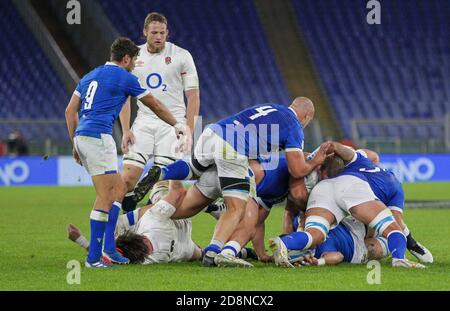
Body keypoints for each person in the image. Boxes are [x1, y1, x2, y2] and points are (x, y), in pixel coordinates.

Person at [133, 97, 329, 266]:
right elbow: (297, 169)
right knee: (238, 209)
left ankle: (162, 172)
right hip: (234, 149)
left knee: (191, 179)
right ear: (307, 117)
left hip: (213, 132)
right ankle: (214, 251)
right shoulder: (294, 126)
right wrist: (316, 160)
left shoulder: (274, 107)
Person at [65, 37, 189, 268]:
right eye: (133, 60)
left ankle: (110, 250)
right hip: (99, 138)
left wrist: (75, 142)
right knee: (106, 196)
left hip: (83, 136)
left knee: (120, 189)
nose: (134, 65)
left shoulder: (90, 76)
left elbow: (70, 110)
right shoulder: (125, 77)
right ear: (126, 58)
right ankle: (94, 258)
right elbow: (156, 105)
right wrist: (177, 125)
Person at [269, 142, 426, 269]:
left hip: (323, 190)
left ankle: (285, 242)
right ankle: (399, 258)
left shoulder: (354, 159)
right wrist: (411, 244)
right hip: (351, 186)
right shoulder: (393, 185)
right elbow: (397, 222)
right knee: (390, 229)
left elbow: (332, 146)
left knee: (315, 233)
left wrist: (313, 158)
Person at [119, 12, 200, 213]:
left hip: (172, 126)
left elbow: (193, 96)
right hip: (143, 123)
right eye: (154, 32)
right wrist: (126, 130)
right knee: (127, 180)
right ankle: (125, 227)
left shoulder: (182, 56)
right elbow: (124, 97)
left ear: (167, 33)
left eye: (162, 33)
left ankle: (141, 221)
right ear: (144, 32)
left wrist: (189, 130)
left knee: (165, 184)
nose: (158, 36)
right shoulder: (133, 57)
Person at [288, 216, 389, 266]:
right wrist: (318, 262)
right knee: (375, 249)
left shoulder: (301, 224)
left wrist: (300, 227)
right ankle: (396, 249)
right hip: (358, 250)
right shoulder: (319, 251)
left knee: (375, 219)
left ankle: (397, 235)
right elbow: (338, 256)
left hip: (352, 226)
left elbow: (299, 217)